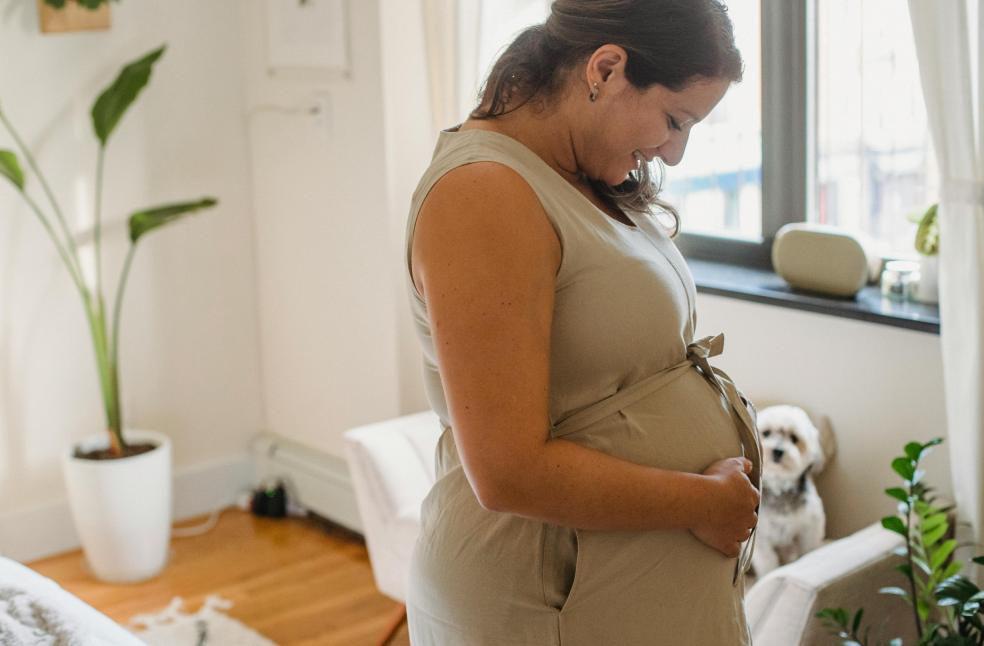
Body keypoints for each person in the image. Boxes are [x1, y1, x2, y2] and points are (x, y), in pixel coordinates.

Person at [402, 1, 763, 643]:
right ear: (606, 67)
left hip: (614, 586)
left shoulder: (577, 174)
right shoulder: (482, 193)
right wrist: (703, 504)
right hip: (544, 595)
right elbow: (507, 469)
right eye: (675, 120)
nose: (674, 154)